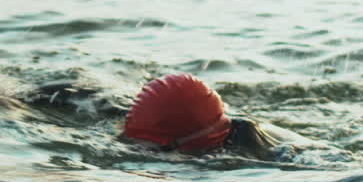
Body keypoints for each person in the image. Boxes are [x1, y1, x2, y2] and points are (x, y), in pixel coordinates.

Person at [21, 73, 285, 161]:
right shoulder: (151, 116)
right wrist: (9, 97)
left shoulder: (250, 159)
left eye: (140, 143)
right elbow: (77, 91)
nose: (129, 145)